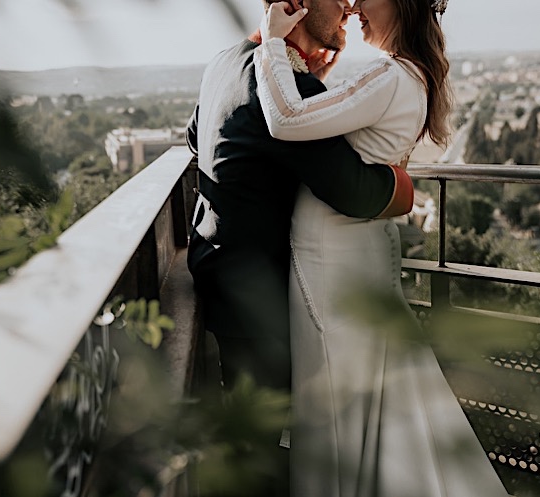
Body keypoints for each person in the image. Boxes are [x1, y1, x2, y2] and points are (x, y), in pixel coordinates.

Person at [253, 0, 509, 494]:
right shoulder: (410, 78)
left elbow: (285, 118)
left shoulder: (389, 76)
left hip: (332, 260)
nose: (352, 6)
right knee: (362, 391)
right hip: (357, 251)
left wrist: (271, 44)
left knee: (329, 399)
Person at [185, 0, 415, 493]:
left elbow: (193, 136)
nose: (351, 7)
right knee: (262, 443)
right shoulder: (288, 93)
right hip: (257, 291)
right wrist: (402, 190)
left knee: (251, 429)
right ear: (297, 5)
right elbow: (353, 190)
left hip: (215, 266)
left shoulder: (225, 62)